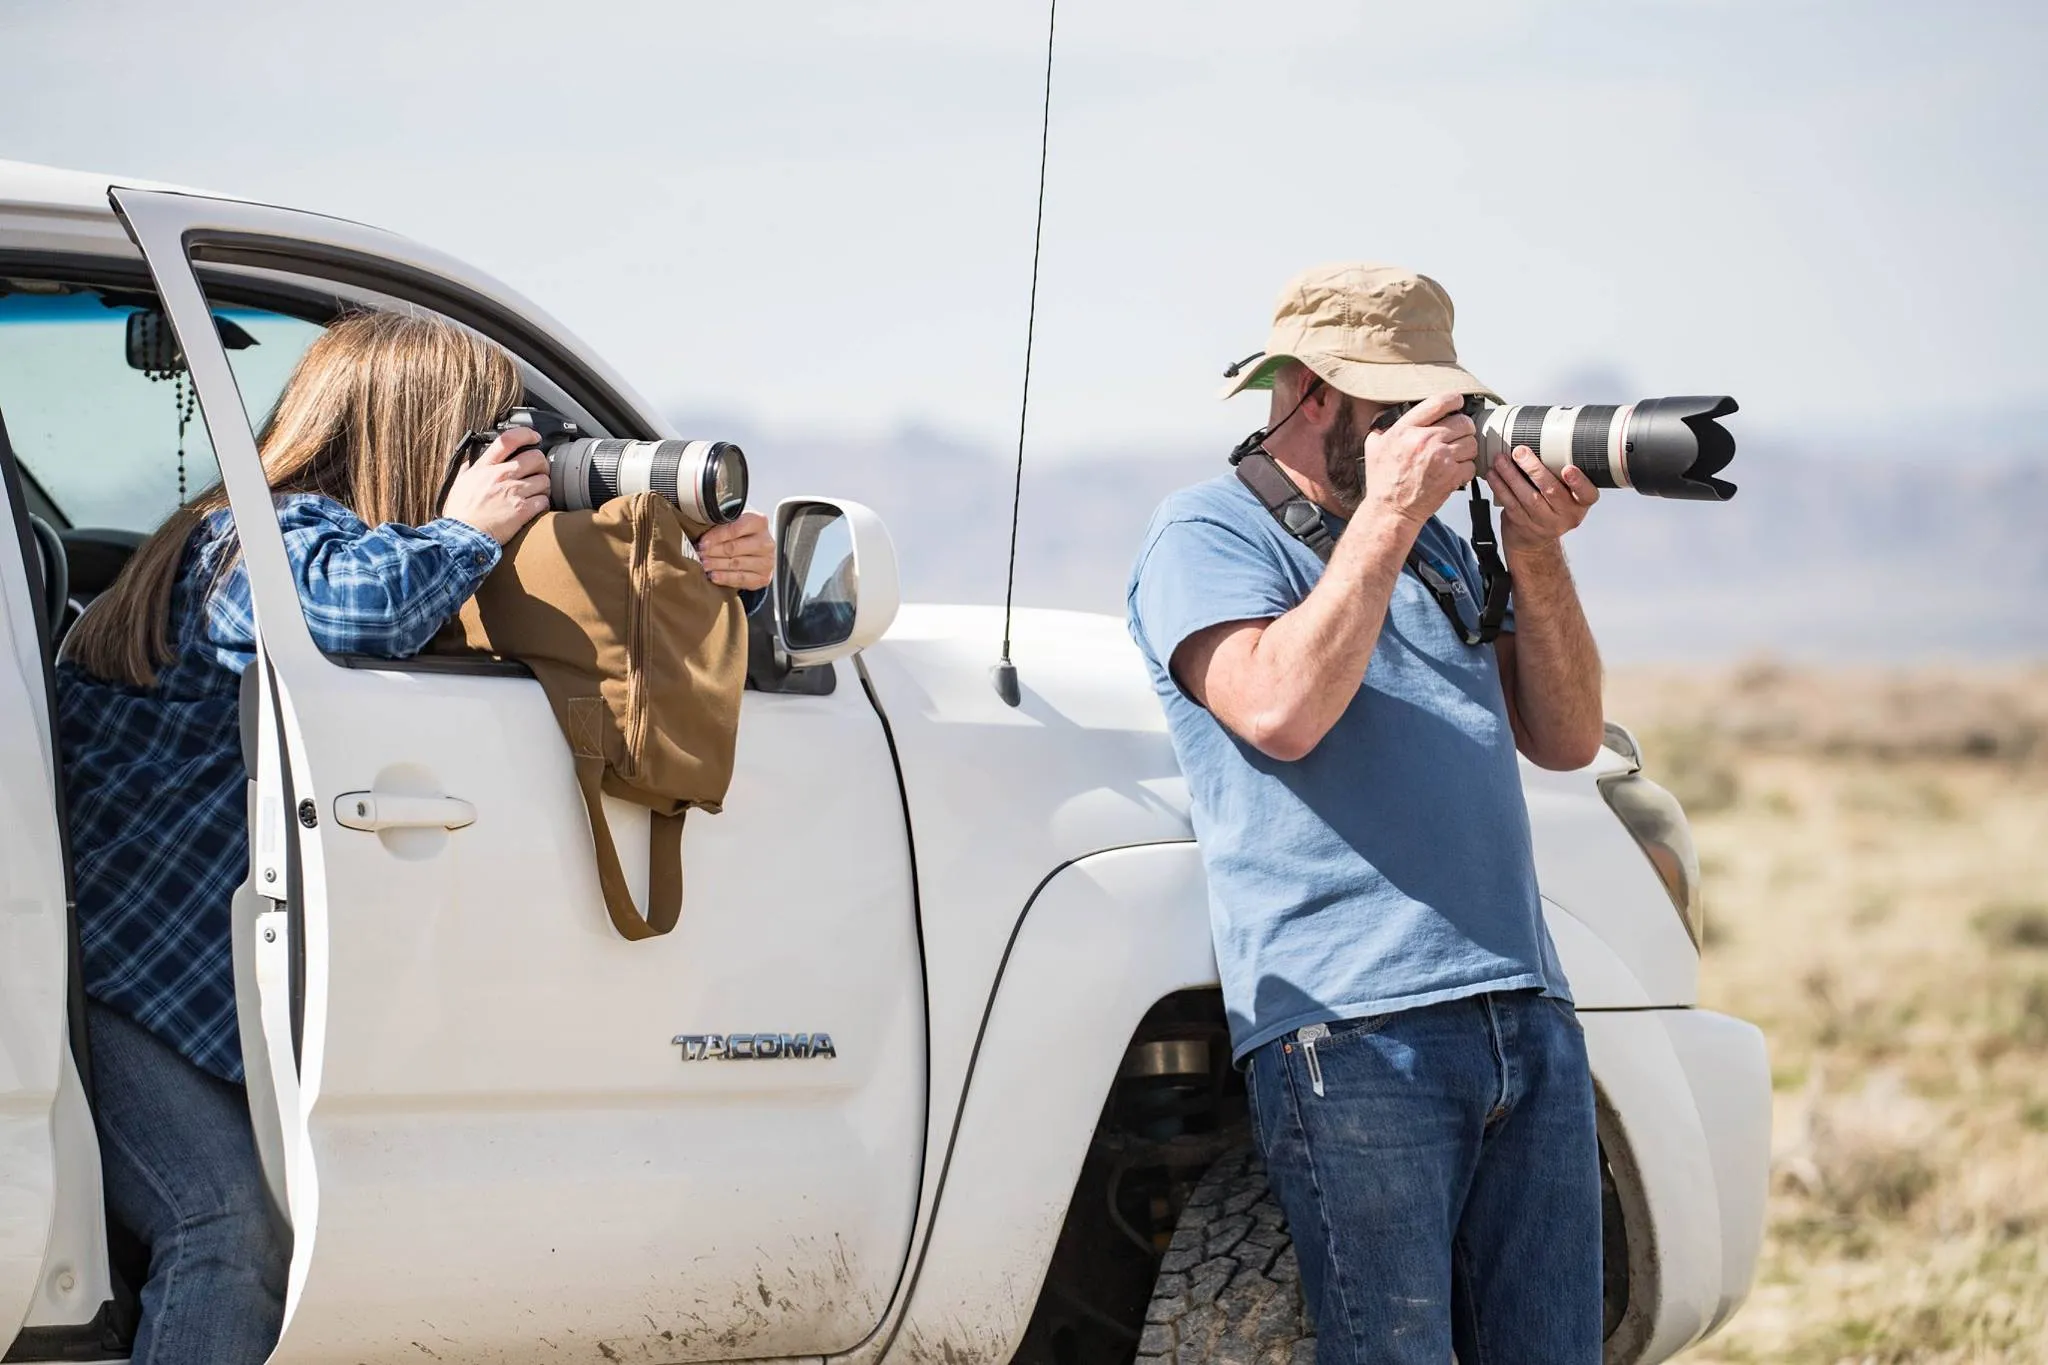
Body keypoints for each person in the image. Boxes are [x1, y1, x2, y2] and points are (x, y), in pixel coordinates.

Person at [55, 310, 774, 1365]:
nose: (519, 456)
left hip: (171, 988)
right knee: (226, 1231)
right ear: (420, 434)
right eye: (493, 433)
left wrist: (705, 579)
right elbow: (343, 616)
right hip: (117, 993)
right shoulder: (257, 540)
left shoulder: (313, 541)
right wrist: (470, 530)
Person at [1126, 263, 1607, 1364]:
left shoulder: (1436, 542)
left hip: (1522, 1013)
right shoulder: (1203, 534)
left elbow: (1568, 738)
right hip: (1353, 1034)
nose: (1424, 434)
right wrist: (1387, 516)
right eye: (1395, 406)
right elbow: (1278, 711)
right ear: (1304, 391)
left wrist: (1533, 553)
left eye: (1437, 405)